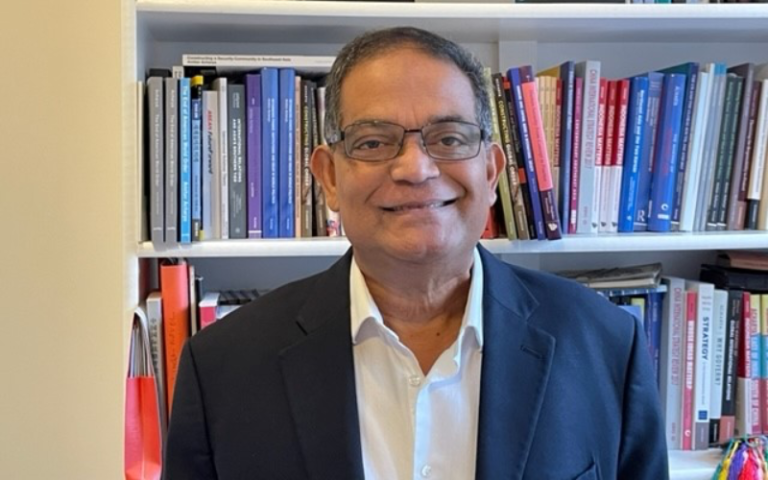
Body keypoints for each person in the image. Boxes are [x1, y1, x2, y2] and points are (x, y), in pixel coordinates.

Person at [163, 27, 669, 480]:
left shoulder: (605, 345)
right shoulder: (223, 366)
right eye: (373, 141)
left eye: (448, 137)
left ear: (491, 172)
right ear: (330, 178)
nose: (416, 169)